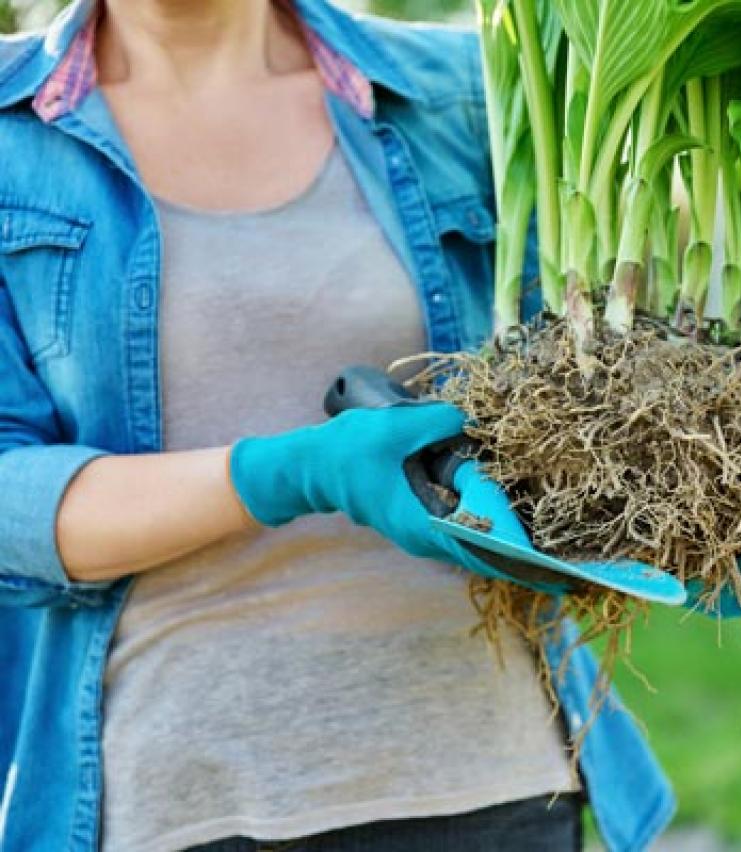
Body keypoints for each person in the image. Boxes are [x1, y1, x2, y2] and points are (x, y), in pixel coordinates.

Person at [0, 0, 680, 849]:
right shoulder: (14, 137)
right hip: (185, 798)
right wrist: (288, 474)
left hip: (489, 772)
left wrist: (686, 506)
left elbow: (580, 368)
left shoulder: (464, 92)